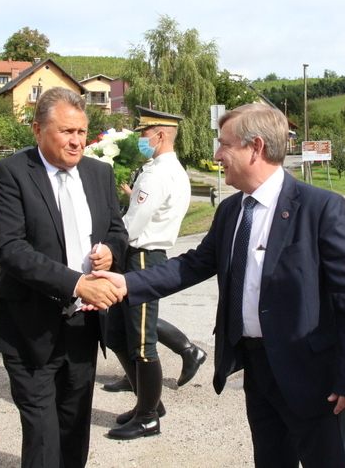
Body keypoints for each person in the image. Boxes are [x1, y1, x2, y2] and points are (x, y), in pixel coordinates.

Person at [95, 103, 345, 467]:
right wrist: (126, 283)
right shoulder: (232, 210)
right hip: (256, 367)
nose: (217, 155)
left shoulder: (320, 208)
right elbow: (194, 264)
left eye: (225, 145)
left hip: (311, 374)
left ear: (255, 147)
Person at [0, 86, 128, 468]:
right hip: (30, 327)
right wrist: (76, 284)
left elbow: (117, 230)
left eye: (81, 132)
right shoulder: (10, 173)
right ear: (38, 130)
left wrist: (111, 250)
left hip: (84, 325)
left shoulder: (99, 173)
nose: (76, 141)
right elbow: (11, 249)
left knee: (74, 425)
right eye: (66, 131)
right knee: (42, 433)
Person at [105, 106, 206, 439]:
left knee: (141, 341)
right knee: (117, 333)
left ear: (160, 135)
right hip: (139, 255)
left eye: (144, 134)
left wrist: (107, 248)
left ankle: (149, 415)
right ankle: (146, 403)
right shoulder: (164, 170)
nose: (141, 139)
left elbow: (132, 225)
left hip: (143, 258)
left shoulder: (158, 174)